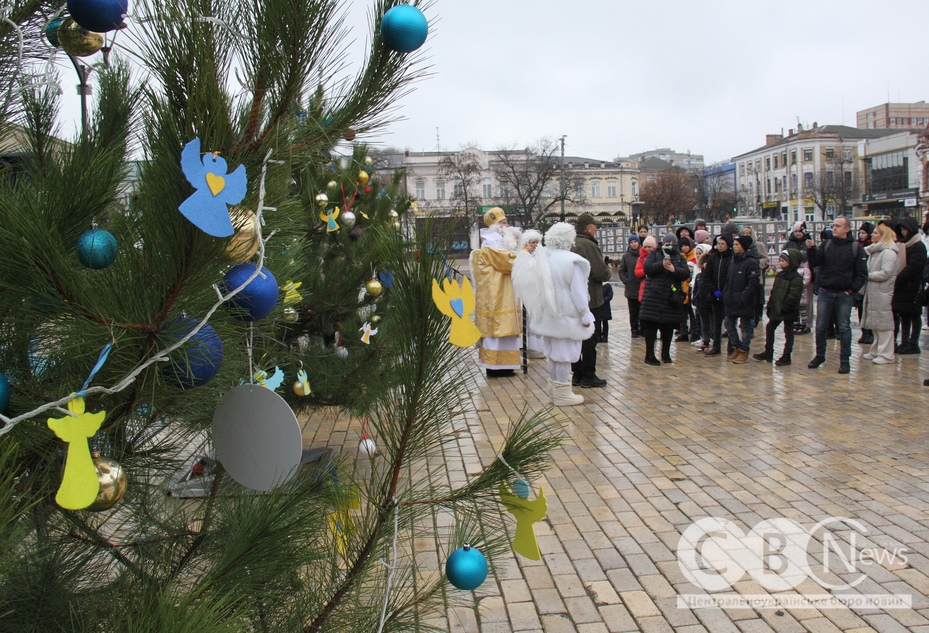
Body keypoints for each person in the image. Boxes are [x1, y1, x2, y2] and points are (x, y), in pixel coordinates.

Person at [512, 223, 594, 406]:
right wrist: (585, 315)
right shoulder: (572, 261)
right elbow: (579, 293)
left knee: (554, 354)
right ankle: (563, 392)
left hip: (547, 315)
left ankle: (555, 390)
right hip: (566, 315)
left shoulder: (544, 257)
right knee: (565, 354)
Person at [806, 216, 869, 374]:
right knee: (820, 327)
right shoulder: (826, 244)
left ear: (847, 229)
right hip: (826, 291)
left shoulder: (855, 248)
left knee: (844, 327)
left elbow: (862, 273)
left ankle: (845, 360)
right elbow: (816, 262)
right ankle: (820, 355)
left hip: (844, 293)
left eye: (838, 226)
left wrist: (852, 290)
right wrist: (812, 249)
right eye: (833, 225)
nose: (834, 228)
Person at [469, 207, 522, 377]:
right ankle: (494, 366)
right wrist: (525, 254)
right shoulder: (492, 242)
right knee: (496, 331)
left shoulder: (501, 241)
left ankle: (505, 365)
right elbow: (506, 263)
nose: (507, 225)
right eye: (503, 222)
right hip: (495, 295)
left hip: (504, 292)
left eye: (506, 221)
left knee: (504, 331)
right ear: (495, 226)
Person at [571, 213, 612, 388]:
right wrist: (607, 271)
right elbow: (600, 271)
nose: (596, 229)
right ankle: (589, 375)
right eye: (595, 226)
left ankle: (577, 374)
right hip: (590, 298)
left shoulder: (572, 243)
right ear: (589, 227)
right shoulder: (588, 245)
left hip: (573, 299)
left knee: (576, 338)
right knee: (589, 338)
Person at [639, 234, 690, 366]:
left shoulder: (679, 257)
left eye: (673, 242)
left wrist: (674, 269)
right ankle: (650, 355)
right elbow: (647, 269)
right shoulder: (655, 254)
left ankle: (665, 354)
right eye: (668, 242)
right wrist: (661, 265)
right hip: (653, 298)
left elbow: (685, 273)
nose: (670, 244)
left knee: (668, 328)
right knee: (651, 327)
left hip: (671, 298)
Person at [753, 249, 803, 366]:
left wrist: (785, 307)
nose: (781, 263)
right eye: (780, 261)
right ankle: (768, 351)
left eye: (783, 261)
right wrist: (770, 305)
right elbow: (774, 292)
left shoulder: (796, 278)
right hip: (777, 308)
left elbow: (794, 295)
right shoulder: (780, 275)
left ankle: (787, 355)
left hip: (788, 310)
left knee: (788, 332)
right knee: (770, 328)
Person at [861, 223, 899, 364]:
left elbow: (886, 272)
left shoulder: (888, 252)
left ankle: (886, 354)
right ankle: (876, 350)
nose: (872, 235)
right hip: (874, 291)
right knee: (876, 323)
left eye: (876, 233)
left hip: (882, 292)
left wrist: (867, 275)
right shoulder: (875, 252)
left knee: (884, 324)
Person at [891, 217, 928, 354]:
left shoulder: (918, 245)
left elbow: (914, 267)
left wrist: (898, 279)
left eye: (905, 229)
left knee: (914, 315)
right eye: (902, 230)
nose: (903, 232)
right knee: (904, 314)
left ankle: (913, 342)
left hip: (913, 286)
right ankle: (904, 341)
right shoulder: (903, 245)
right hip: (902, 287)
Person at [723, 234, 761, 363]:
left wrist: (744, 296)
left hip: (745, 300)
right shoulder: (733, 260)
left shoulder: (751, 262)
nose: (734, 247)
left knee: (745, 327)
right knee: (728, 323)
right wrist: (726, 293)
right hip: (732, 299)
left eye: (737, 245)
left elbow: (753, 282)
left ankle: (744, 350)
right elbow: (728, 279)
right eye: (733, 244)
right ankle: (737, 347)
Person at [697, 234, 732, 356]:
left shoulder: (731, 258)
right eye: (719, 244)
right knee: (716, 323)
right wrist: (713, 290)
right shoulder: (712, 258)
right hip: (714, 295)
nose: (720, 246)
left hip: (727, 295)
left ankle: (731, 347)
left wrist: (725, 291)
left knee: (729, 322)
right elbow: (706, 276)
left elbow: (730, 278)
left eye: (723, 244)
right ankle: (716, 346)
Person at [617, 236, 643, 338]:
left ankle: (643, 329)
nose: (634, 244)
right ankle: (634, 329)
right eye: (631, 242)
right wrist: (626, 281)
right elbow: (621, 270)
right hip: (631, 288)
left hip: (642, 287)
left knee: (643, 310)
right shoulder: (626, 256)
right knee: (633, 312)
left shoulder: (643, 254)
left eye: (635, 241)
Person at [856, 222, 875, 345]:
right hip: (859, 282)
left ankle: (870, 332)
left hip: (870, 281)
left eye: (864, 233)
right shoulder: (857, 245)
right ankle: (864, 331)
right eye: (860, 233)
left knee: (869, 307)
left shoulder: (873, 247)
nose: (861, 235)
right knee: (860, 307)